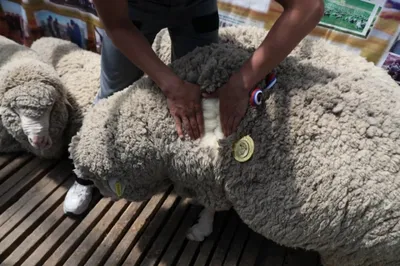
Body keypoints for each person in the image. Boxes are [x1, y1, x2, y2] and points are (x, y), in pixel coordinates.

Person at [63, 0, 324, 216]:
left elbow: (308, 6)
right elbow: (117, 25)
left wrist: (241, 83)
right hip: (131, 12)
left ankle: (201, 181)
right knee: (113, 93)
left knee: (206, 88)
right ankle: (86, 173)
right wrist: (170, 85)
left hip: (196, 6)